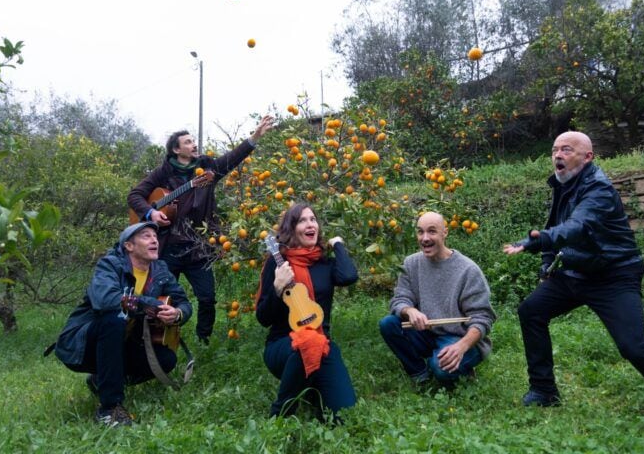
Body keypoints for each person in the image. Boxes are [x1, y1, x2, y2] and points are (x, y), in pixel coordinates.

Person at [503, 131, 644, 435]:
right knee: (531, 311)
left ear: (587, 157)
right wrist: (548, 264)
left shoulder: (598, 188)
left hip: (614, 276)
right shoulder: (562, 184)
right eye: (555, 149)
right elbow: (557, 226)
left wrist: (539, 241)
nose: (558, 154)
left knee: (634, 348)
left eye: (567, 149)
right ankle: (544, 391)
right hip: (574, 271)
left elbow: (578, 225)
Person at [128, 115, 274, 344]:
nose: (194, 144)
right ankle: (156, 340)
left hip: (199, 247)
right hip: (169, 248)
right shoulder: (163, 173)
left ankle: (203, 339)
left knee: (207, 298)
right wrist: (151, 213)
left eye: (193, 141)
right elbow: (134, 195)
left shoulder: (208, 169)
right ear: (176, 150)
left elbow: (231, 159)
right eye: (187, 142)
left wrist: (255, 137)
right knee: (160, 298)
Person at [52, 222, 193, 426]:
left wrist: (178, 314)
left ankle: (102, 380)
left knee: (167, 359)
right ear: (129, 246)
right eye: (146, 236)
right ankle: (109, 408)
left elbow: (184, 303)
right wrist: (150, 304)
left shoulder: (160, 269)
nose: (154, 239)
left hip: (127, 340)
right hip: (87, 342)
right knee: (115, 318)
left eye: (155, 236)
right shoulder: (110, 265)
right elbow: (106, 300)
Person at [256, 203, 358, 421]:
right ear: (291, 229)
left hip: (322, 344)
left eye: (313, 219)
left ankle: (310, 386)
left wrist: (338, 244)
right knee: (307, 341)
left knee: (344, 412)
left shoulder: (324, 264)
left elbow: (349, 276)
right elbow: (263, 318)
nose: (310, 224)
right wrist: (277, 288)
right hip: (283, 347)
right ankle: (280, 415)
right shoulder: (278, 266)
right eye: (302, 220)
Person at [379, 212, 496, 386]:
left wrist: (461, 347)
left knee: (441, 369)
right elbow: (399, 299)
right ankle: (420, 373)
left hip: (460, 337)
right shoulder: (411, 263)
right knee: (389, 324)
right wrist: (409, 311)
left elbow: (483, 318)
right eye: (420, 232)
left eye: (432, 231)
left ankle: (458, 365)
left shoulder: (468, 270)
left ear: (445, 233)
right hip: (426, 333)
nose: (425, 238)